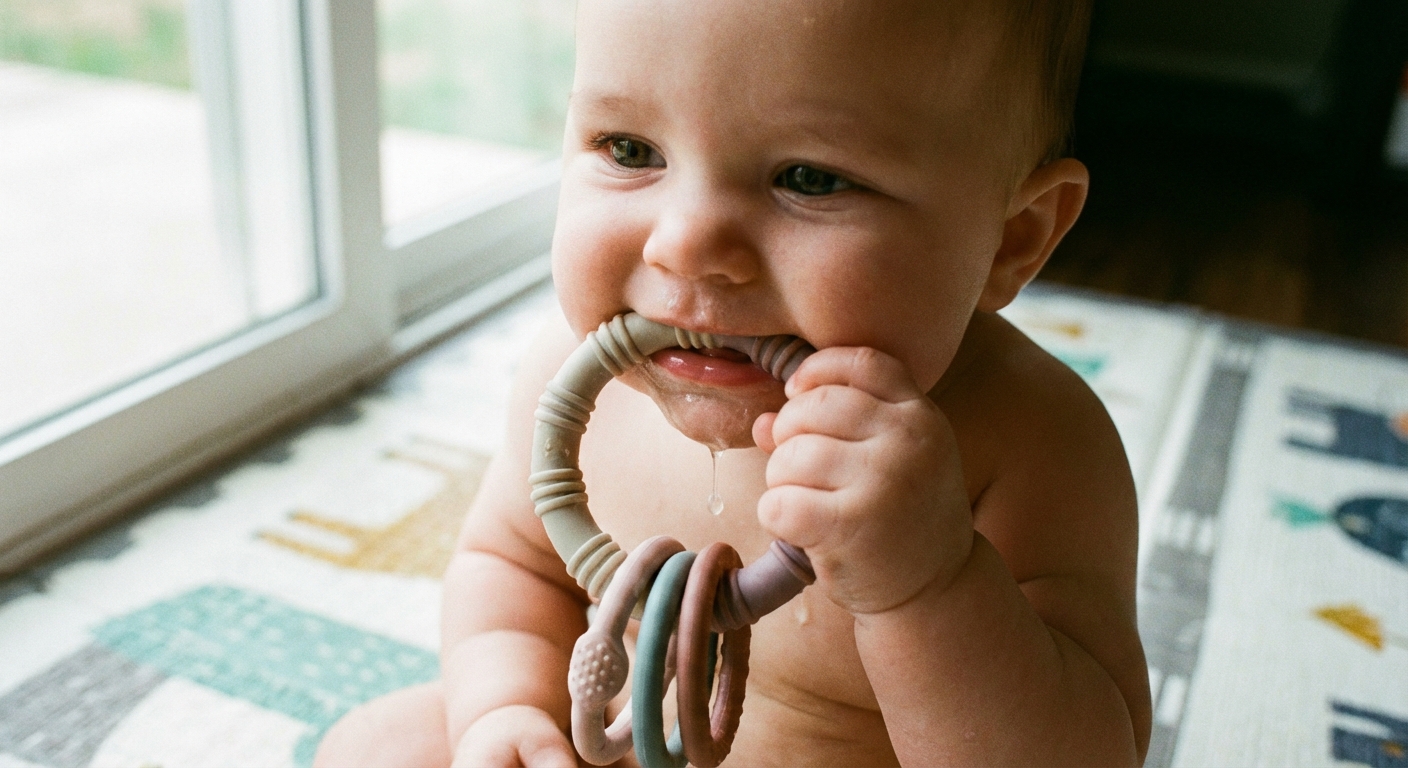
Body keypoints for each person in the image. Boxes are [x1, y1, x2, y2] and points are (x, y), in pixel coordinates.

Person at [316, 0, 1151, 764]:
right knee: (381, 742)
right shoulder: (577, 397)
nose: (684, 244)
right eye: (630, 151)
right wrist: (506, 713)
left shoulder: (1035, 443)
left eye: (809, 179)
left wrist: (930, 585)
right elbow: (513, 569)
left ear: (1013, 238)